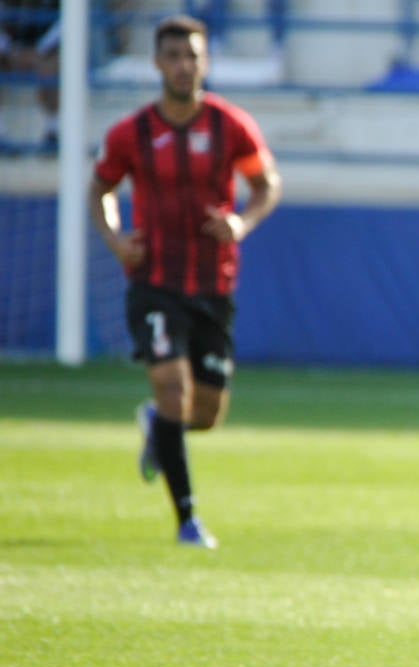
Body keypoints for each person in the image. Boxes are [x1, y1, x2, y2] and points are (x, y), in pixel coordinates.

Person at [88, 14, 282, 549]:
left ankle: (157, 427)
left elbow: (265, 183)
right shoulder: (132, 133)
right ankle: (188, 520)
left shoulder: (229, 125)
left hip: (213, 287)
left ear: (205, 61)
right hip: (153, 280)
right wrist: (114, 238)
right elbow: (99, 188)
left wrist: (242, 221)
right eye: (173, 56)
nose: (183, 65)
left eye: (192, 56)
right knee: (174, 390)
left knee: (204, 413)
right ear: (157, 63)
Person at [0, 0, 59, 155]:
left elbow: (67, 24)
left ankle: (53, 131)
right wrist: (10, 49)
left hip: (45, 50)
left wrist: (39, 50)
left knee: (52, 66)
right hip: (11, 50)